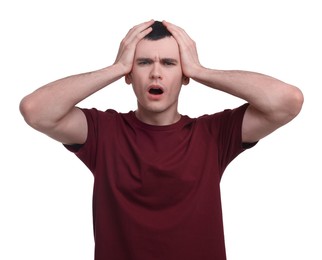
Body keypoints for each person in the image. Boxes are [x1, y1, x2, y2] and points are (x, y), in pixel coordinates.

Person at [19, 20, 304, 260]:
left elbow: (287, 102)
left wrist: (202, 70)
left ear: (184, 75)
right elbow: (36, 111)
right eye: (143, 63)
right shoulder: (103, 132)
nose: (156, 72)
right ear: (130, 74)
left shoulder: (213, 134)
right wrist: (116, 67)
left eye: (169, 63)